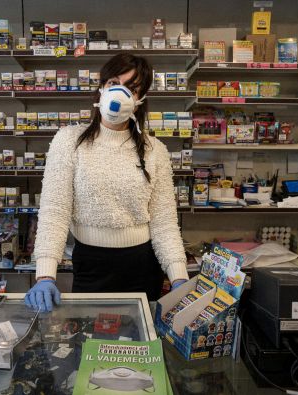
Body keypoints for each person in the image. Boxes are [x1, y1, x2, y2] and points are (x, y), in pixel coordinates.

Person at [25, 53, 189, 312]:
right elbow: (55, 211)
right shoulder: (69, 141)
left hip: (142, 267)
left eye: (132, 88)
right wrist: (45, 275)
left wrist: (180, 276)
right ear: (101, 88)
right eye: (114, 83)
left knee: (139, 347)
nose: (120, 93)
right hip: (91, 266)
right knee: (89, 342)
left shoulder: (154, 150)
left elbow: (164, 221)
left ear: (140, 100)